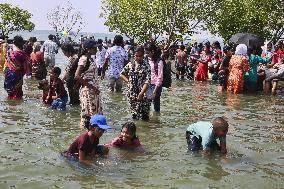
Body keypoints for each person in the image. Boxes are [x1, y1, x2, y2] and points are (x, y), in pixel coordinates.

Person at [75, 39, 102, 128]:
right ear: (87, 49)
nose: (96, 49)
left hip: (93, 91)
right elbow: (77, 76)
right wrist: (93, 87)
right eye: (94, 48)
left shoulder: (91, 58)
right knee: (88, 115)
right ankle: (87, 135)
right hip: (88, 91)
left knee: (95, 115)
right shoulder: (84, 59)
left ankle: (94, 135)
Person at [120, 46, 151, 121]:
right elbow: (121, 74)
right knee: (134, 115)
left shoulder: (146, 66)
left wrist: (141, 93)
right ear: (134, 55)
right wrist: (128, 82)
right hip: (132, 94)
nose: (138, 58)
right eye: (136, 56)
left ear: (143, 55)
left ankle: (145, 131)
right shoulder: (130, 64)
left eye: (140, 56)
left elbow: (148, 81)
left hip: (143, 94)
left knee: (144, 116)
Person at [4, 36, 28, 100]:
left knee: (10, 91)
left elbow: (7, 61)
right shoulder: (21, 53)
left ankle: (8, 105)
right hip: (17, 75)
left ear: (14, 42)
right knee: (17, 94)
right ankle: (16, 107)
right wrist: (22, 75)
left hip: (8, 73)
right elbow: (25, 67)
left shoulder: (10, 50)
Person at [145, 43, 163, 113]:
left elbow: (160, 77)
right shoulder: (147, 59)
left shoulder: (159, 61)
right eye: (146, 52)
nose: (146, 54)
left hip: (156, 86)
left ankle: (156, 120)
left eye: (148, 52)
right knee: (146, 104)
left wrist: (155, 90)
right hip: (148, 84)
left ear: (153, 51)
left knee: (156, 106)